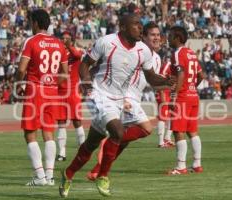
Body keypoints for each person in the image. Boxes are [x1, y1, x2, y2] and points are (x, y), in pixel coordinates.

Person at [59, 14, 173, 198]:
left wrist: (167, 82)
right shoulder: (106, 42)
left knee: (91, 143)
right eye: (136, 24)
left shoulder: (143, 50)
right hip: (98, 94)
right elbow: (85, 64)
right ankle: (103, 176)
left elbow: (151, 77)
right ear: (123, 27)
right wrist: (87, 82)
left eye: (140, 24)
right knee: (118, 132)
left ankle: (68, 173)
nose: (140, 28)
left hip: (119, 99)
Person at [86, 21, 164, 181]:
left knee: (122, 142)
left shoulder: (154, 57)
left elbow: (149, 80)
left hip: (135, 97)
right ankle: (106, 147)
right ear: (144, 36)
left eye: (158, 35)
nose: (156, 38)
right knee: (147, 128)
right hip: (125, 97)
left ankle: (98, 170)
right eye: (152, 35)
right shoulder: (136, 50)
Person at [16, 9, 68, 186]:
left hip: (35, 89)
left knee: (30, 132)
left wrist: (20, 84)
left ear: (36, 23)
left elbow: (22, 69)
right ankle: (50, 176)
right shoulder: (59, 43)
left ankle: (39, 177)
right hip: (51, 92)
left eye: (31, 22)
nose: (30, 25)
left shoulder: (31, 41)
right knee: (49, 133)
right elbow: (65, 73)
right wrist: (53, 83)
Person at [167, 26, 204, 175]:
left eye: (170, 36)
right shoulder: (191, 53)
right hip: (193, 96)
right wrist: (192, 88)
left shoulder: (178, 53)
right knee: (192, 131)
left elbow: (181, 74)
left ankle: (181, 167)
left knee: (178, 131)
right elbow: (201, 76)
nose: (168, 38)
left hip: (182, 97)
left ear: (177, 38)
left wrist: (175, 95)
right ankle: (197, 164)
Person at [56, 31, 85, 162]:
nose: (64, 40)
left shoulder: (76, 52)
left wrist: (69, 46)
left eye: (67, 39)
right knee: (61, 122)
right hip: (60, 92)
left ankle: (83, 150)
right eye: (62, 38)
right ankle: (62, 153)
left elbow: (77, 55)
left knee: (77, 121)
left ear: (71, 40)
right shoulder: (57, 55)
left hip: (73, 92)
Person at [156, 57, 175, 148]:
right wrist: (162, 93)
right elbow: (160, 78)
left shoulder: (178, 65)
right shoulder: (168, 64)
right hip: (164, 92)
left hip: (171, 93)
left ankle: (167, 138)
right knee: (163, 117)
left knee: (173, 116)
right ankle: (160, 142)